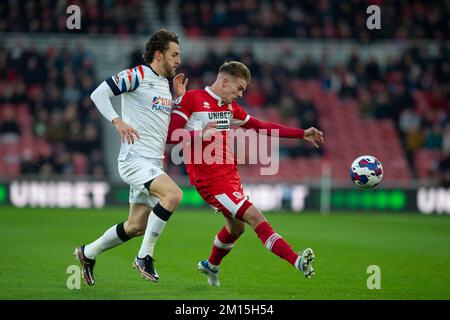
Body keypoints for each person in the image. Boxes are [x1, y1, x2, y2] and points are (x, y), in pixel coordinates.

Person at [167, 61, 324, 286]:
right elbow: (172, 135)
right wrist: (201, 134)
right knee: (255, 217)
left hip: (230, 177)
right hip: (211, 182)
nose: (241, 94)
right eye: (239, 88)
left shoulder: (229, 109)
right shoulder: (192, 99)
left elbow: (260, 126)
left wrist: (301, 134)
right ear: (224, 81)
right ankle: (297, 260)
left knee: (236, 227)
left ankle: (211, 266)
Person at [74, 29, 188, 285]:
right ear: (158, 54)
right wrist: (117, 120)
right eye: (174, 55)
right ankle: (144, 257)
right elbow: (98, 94)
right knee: (173, 195)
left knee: (135, 226)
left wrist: (178, 100)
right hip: (134, 160)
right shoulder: (138, 74)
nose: (178, 61)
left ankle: (87, 253)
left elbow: (162, 127)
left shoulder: (164, 85)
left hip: (153, 162)